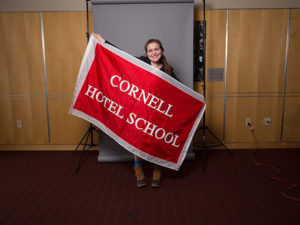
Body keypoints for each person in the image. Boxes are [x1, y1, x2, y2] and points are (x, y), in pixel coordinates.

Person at [93, 33, 179, 188]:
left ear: (162, 50)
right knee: (137, 141)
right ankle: (138, 168)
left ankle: (157, 169)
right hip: (139, 110)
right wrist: (103, 42)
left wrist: (197, 101)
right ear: (146, 53)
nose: (154, 53)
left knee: (156, 142)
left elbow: (181, 92)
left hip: (157, 113)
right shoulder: (140, 63)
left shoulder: (168, 71)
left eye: (156, 49)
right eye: (150, 50)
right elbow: (120, 56)